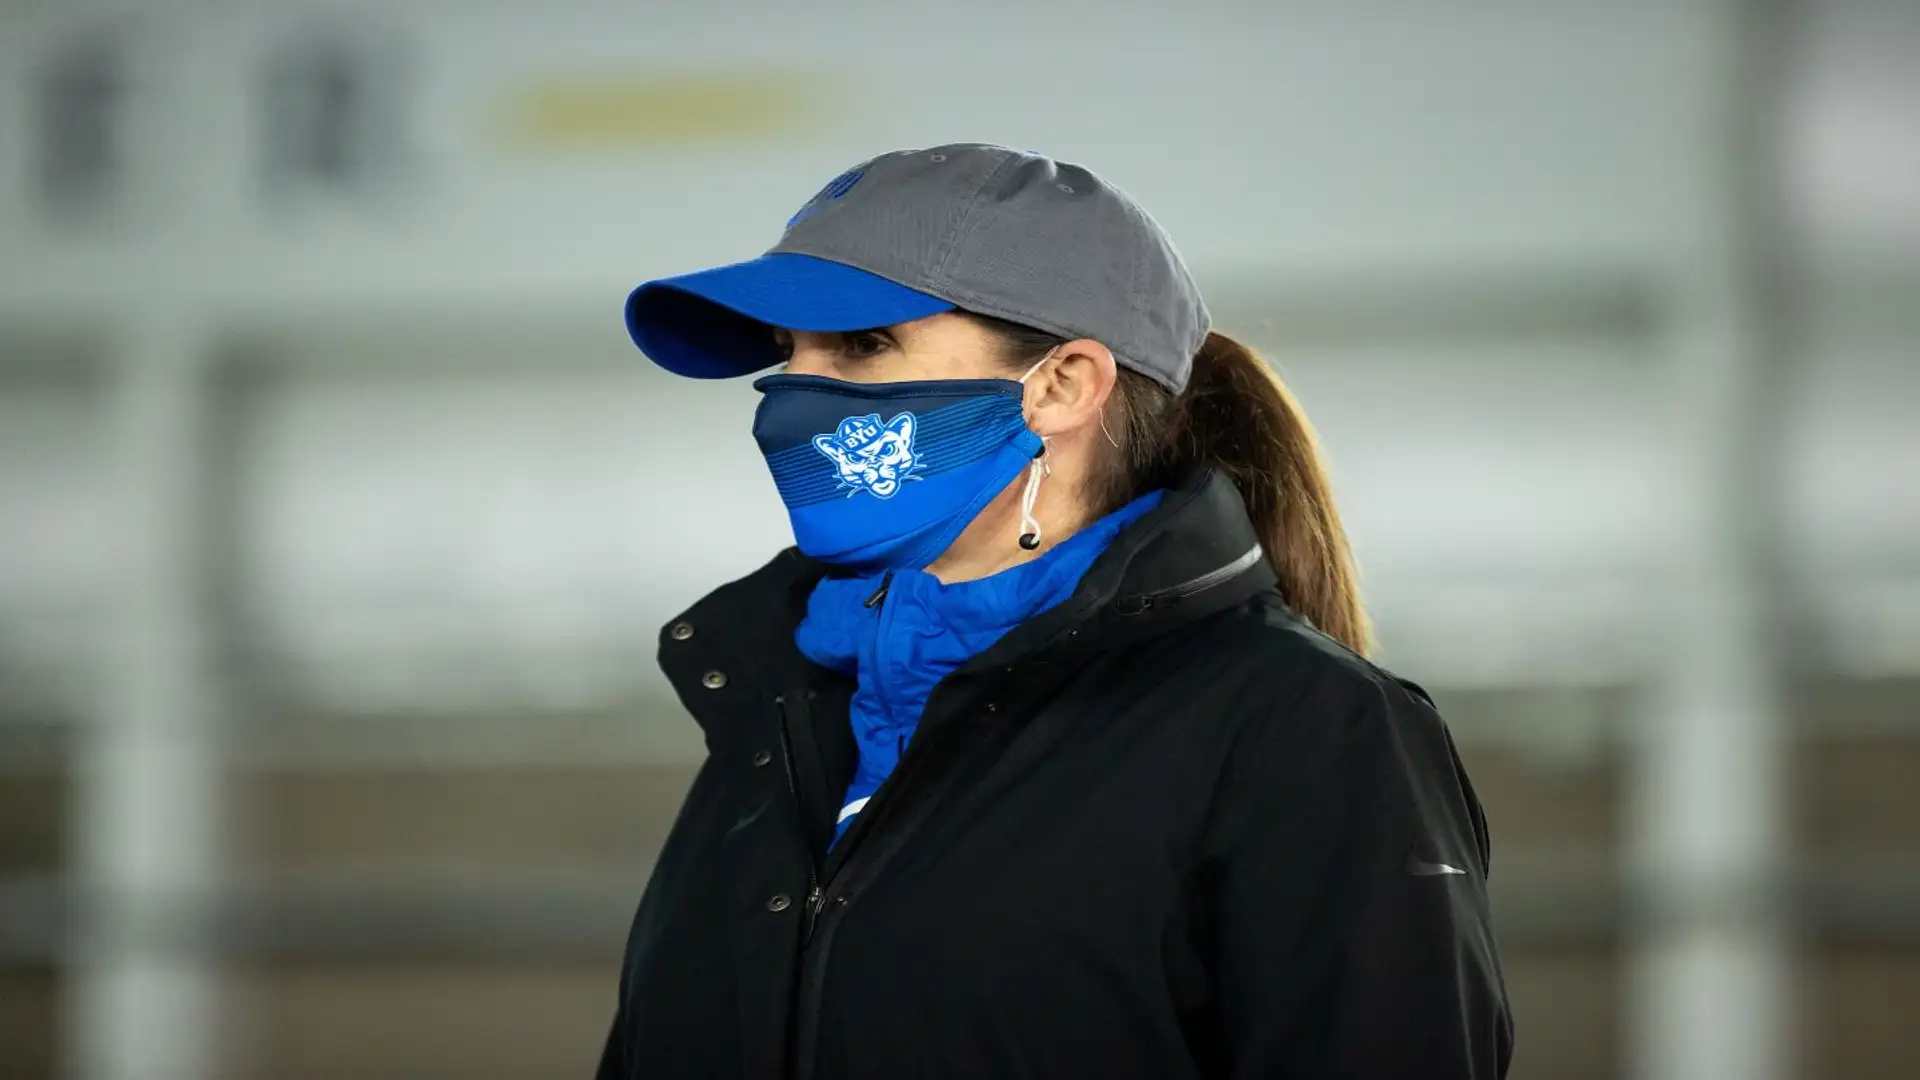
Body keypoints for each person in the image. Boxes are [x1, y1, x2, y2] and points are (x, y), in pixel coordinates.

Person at [600, 143, 1512, 1080]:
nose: (792, 395)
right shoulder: (781, 719)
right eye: (786, 354)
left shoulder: (1302, 730)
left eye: (863, 345)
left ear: (1061, 386)